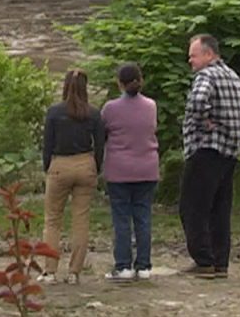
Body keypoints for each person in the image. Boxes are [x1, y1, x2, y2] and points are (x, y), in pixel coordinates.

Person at [179, 34, 240, 279]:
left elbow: (198, 102)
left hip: (205, 149)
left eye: (193, 55)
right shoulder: (233, 76)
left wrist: (205, 122)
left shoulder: (206, 76)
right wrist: (232, 122)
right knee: (220, 208)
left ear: (209, 54)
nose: (190, 60)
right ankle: (220, 262)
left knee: (193, 207)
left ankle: (203, 260)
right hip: (230, 151)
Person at [40, 69, 105, 284]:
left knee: (52, 220)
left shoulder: (54, 112)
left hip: (60, 164)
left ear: (65, 86)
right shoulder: (93, 113)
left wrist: (48, 167)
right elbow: (100, 145)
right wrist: (96, 167)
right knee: (81, 220)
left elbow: (47, 144)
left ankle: (50, 271)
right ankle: (74, 272)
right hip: (85, 164)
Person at [100, 63, 159, 281]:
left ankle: (123, 265)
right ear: (140, 80)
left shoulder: (110, 108)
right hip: (147, 168)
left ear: (119, 83)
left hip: (119, 170)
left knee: (122, 218)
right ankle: (144, 265)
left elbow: (103, 134)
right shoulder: (151, 106)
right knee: (143, 217)